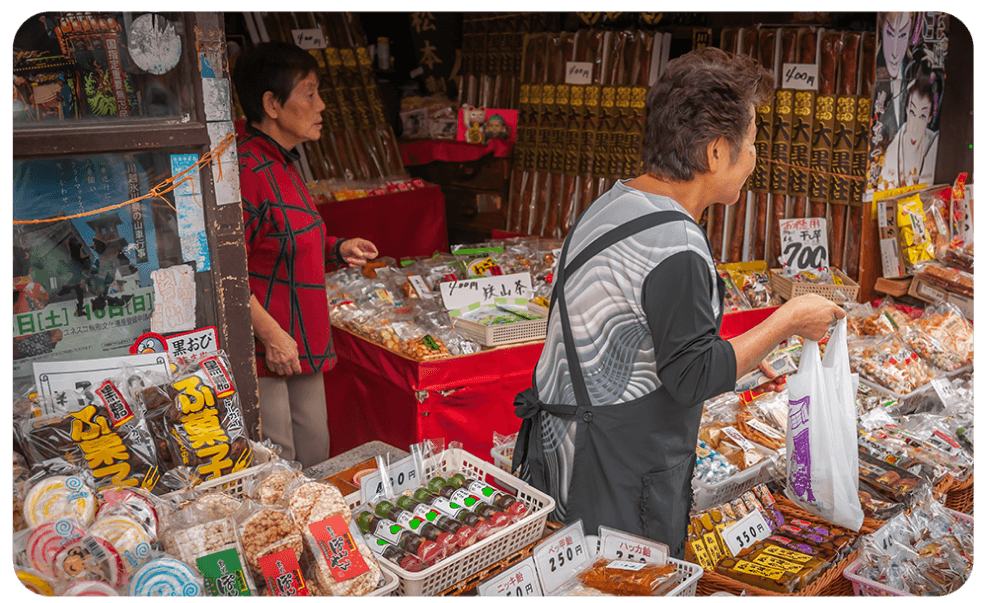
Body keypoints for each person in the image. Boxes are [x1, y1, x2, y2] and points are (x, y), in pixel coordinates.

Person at [511, 47, 846, 558]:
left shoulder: (613, 201)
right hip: (617, 476)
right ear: (716, 153)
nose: (755, 158)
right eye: (751, 143)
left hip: (563, 451)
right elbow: (694, 375)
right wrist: (789, 319)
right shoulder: (677, 244)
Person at [233, 42, 379, 469]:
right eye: (310, 93)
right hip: (270, 349)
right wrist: (271, 335)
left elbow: (282, 238)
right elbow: (227, 274)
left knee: (315, 457)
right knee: (281, 468)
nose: (322, 105)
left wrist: (336, 248)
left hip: (301, 340)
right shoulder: (247, 171)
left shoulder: (281, 162)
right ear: (272, 104)